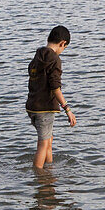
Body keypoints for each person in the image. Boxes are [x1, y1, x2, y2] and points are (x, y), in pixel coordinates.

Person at [26, 26, 76, 169]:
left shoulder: (38, 56)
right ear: (62, 43)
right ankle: (39, 176)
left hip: (32, 106)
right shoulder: (54, 60)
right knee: (43, 144)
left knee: (48, 139)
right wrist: (67, 109)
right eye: (64, 47)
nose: (62, 51)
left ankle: (49, 169)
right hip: (44, 108)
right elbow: (55, 87)